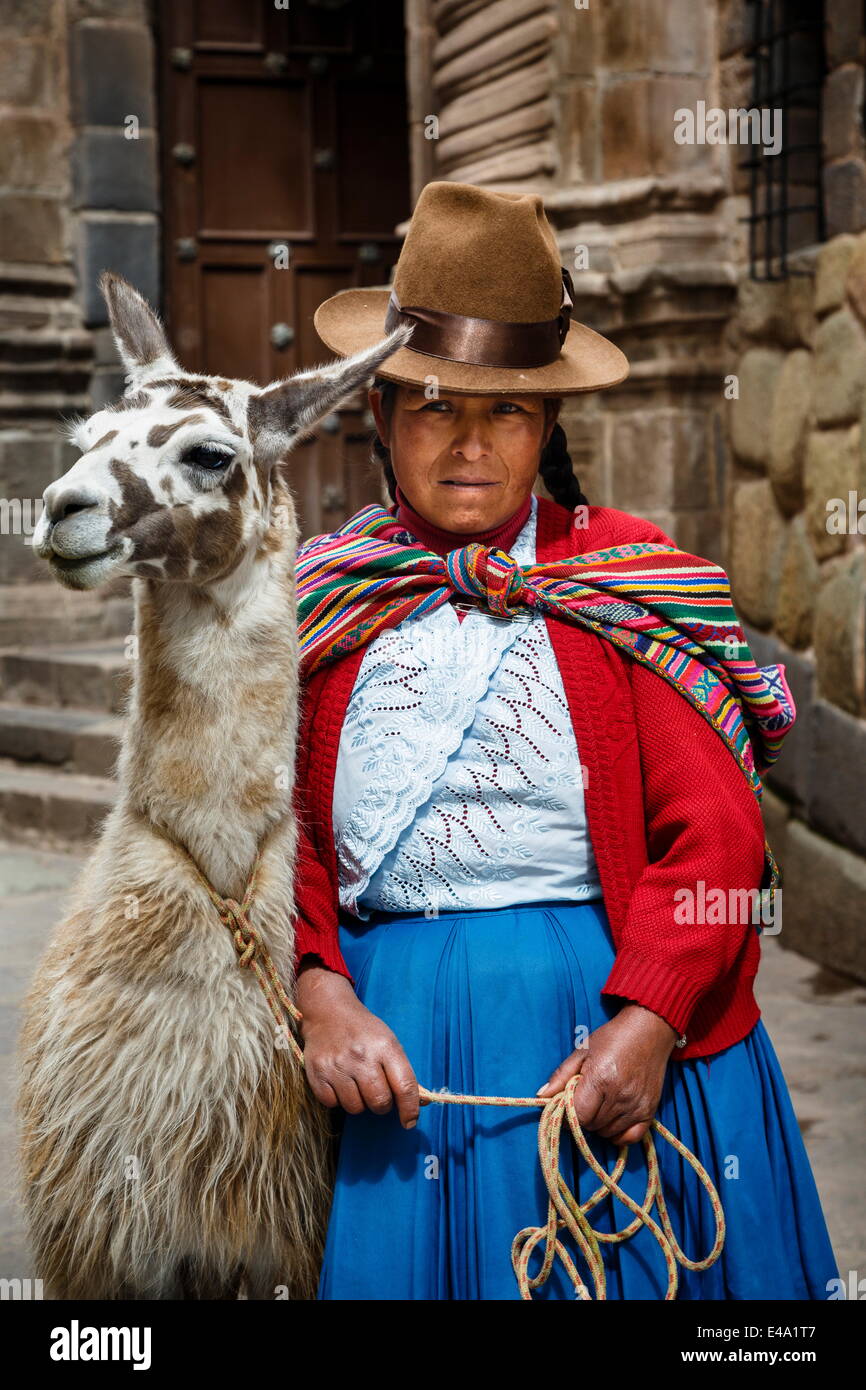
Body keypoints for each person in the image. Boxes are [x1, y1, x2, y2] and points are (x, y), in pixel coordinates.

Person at [289, 180, 839, 1300]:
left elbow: (718, 842)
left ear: (546, 426)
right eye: (436, 407)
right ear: (382, 414)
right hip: (380, 1063)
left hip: (591, 1035)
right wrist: (318, 993)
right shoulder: (323, 602)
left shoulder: (625, 586)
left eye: (507, 413)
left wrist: (646, 1020)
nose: (470, 445)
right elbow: (273, 831)